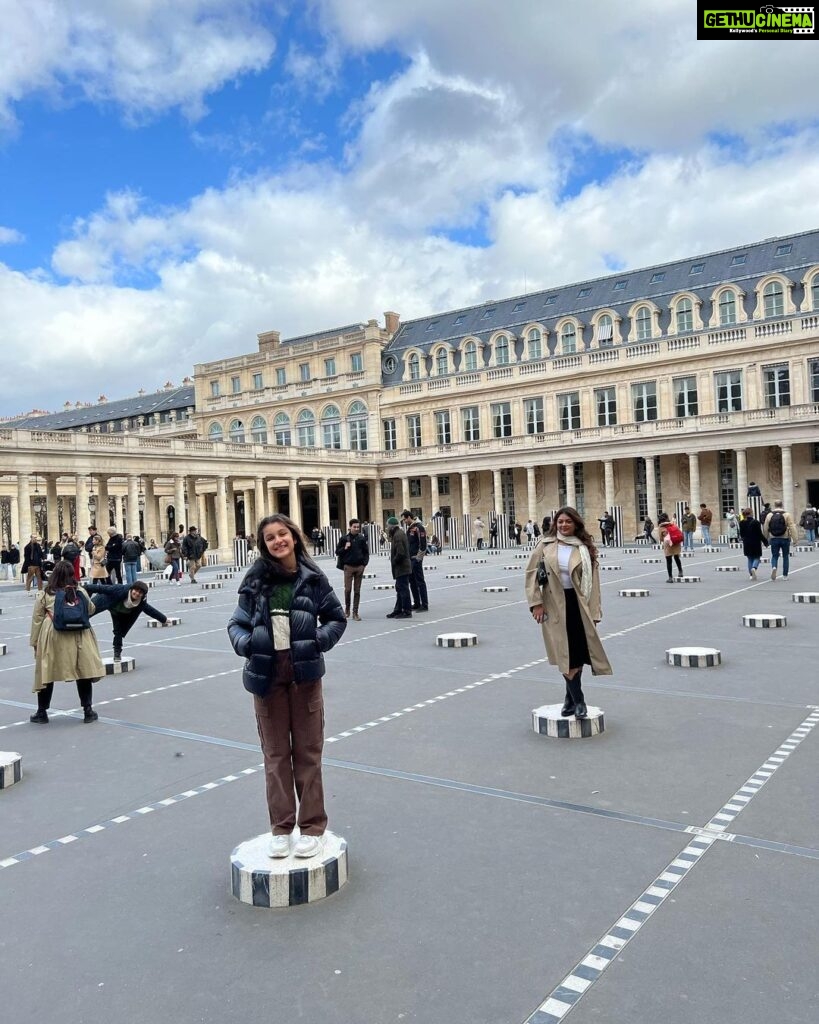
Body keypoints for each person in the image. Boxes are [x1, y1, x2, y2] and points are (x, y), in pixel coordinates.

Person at [227, 513, 346, 859]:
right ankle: (281, 827)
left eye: (282, 534)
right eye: (270, 538)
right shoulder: (255, 581)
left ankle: (311, 827)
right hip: (267, 678)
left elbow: (336, 618)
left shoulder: (312, 578)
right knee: (275, 754)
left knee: (308, 752)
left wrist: (316, 641)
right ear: (263, 545)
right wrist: (247, 645)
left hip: (304, 677)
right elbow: (236, 624)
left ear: (294, 536)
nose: (277, 541)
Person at [525, 506, 611, 720]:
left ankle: (569, 698)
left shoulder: (584, 548)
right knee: (564, 653)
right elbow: (531, 574)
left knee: (578, 651)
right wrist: (536, 603)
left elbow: (595, 583)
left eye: (568, 522)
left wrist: (595, 612)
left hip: (578, 603)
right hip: (553, 604)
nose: (563, 525)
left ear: (576, 524)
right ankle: (579, 699)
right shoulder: (544, 545)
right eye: (560, 521)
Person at [28, 560, 105, 724]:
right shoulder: (79, 591)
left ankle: (42, 713)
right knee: (83, 672)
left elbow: (37, 619)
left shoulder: (46, 593)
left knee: (46, 672)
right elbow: (91, 609)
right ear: (72, 575)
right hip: (79, 636)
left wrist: (35, 643)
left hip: (54, 634)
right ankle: (88, 711)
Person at [85, 580, 168, 660]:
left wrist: (164, 619)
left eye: (140, 592)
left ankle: (117, 653)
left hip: (118, 613)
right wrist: (85, 587)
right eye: (136, 590)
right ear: (132, 589)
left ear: (143, 595)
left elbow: (149, 610)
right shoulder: (121, 589)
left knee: (119, 632)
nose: (137, 593)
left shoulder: (141, 602)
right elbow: (102, 588)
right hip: (106, 600)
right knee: (85, 613)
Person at [335, 517, 369, 621]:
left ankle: (355, 612)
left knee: (357, 591)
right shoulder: (344, 538)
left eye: (358, 527)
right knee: (348, 590)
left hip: (359, 567)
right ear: (350, 527)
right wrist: (344, 548)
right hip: (348, 567)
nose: (356, 529)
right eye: (354, 527)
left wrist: (364, 564)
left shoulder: (361, 538)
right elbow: (337, 552)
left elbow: (366, 552)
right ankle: (347, 609)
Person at [762, 501, 798, 581]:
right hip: (785, 538)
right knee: (785, 556)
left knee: (774, 556)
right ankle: (785, 575)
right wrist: (795, 539)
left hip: (774, 538)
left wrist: (765, 540)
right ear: (782, 505)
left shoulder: (769, 515)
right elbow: (792, 527)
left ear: (774, 505)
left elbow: (765, 528)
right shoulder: (787, 515)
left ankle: (774, 567)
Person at [385, 516, 412, 618]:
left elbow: (401, 553)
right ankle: (398, 610)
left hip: (402, 567)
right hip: (402, 567)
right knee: (400, 589)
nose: (387, 529)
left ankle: (406, 611)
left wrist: (394, 561)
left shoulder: (398, 536)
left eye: (388, 526)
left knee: (403, 590)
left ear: (392, 527)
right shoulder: (398, 534)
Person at [401, 509, 428, 612]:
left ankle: (424, 604)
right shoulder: (410, 528)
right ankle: (417, 603)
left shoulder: (418, 527)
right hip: (409, 559)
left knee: (420, 581)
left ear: (409, 517)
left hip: (415, 559)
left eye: (404, 519)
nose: (404, 522)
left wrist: (418, 558)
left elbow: (423, 544)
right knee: (412, 581)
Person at [738, 508, 767, 579]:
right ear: (751, 513)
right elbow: (759, 534)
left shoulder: (741, 522)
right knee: (757, 557)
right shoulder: (756, 522)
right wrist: (765, 542)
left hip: (746, 542)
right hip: (755, 542)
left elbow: (741, 534)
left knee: (749, 558)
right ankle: (754, 568)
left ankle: (751, 575)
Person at [658, 513, 684, 581]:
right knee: (677, 558)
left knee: (669, 561)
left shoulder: (661, 527)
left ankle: (670, 577)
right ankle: (680, 571)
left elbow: (661, 539)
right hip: (676, 543)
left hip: (668, 544)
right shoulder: (673, 524)